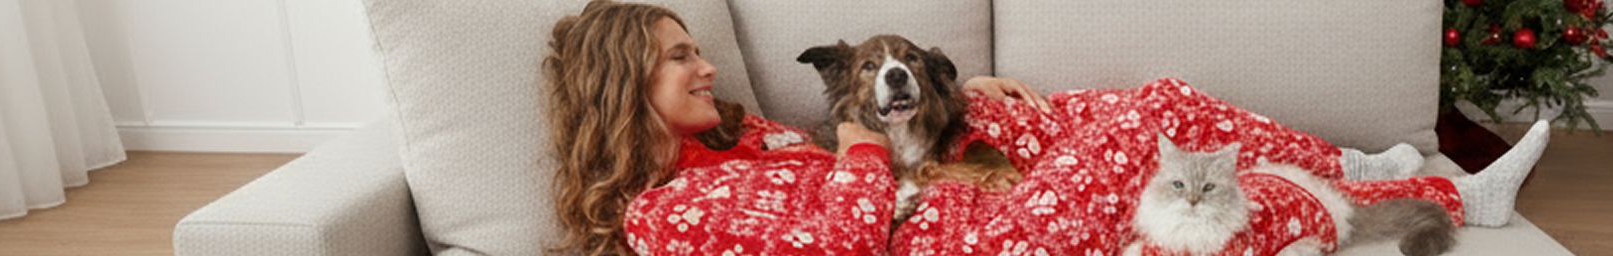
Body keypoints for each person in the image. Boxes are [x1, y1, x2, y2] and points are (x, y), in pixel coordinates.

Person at [540, 1, 1539, 255]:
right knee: (1156, 120)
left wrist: (967, 93)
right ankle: (1431, 188)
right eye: (678, 55)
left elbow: (863, 147)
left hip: (969, 200)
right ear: (619, 84)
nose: (705, 62)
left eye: (694, 48)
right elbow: (844, 233)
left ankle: (1384, 172)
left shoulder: (734, 143)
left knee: (1155, 104)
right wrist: (852, 137)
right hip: (978, 236)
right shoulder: (663, 213)